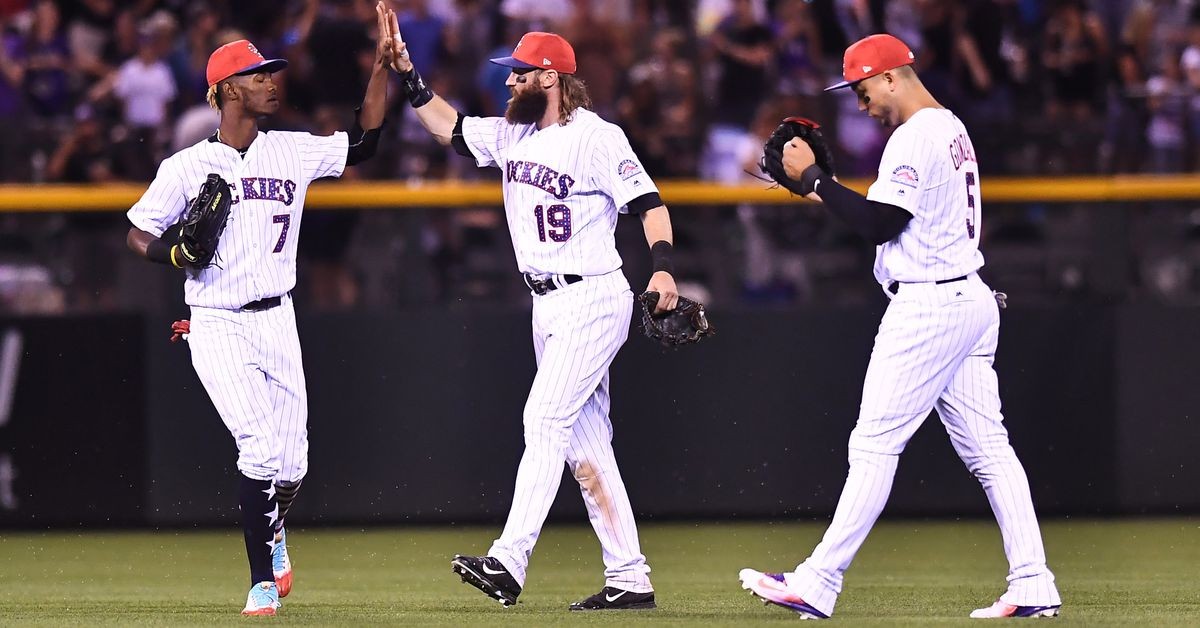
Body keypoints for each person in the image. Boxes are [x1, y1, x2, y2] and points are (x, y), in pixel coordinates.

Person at [737, 34, 1062, 619]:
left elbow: (881, 223)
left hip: (929, 309)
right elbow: (890, 218)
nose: (861, 106)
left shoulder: (914, 136)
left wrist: (815, 181)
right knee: (992, 452)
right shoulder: (951, 126)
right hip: (967, 299)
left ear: (890, 76)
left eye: (863, 92)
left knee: (874, 444)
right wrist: (825, 193)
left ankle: (817, 581)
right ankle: (1033, 581)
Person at [384, 24, 679, 610]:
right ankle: (630, 579)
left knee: (542, 419)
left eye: (519, 71)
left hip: (592, 295)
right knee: (587, 449)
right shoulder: (512, 133)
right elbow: (448, 127)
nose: (510, 78)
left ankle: (509, 561)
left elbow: (649, 205)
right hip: (547, 305)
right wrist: (409, 77)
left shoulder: (596, 137)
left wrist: (664, 269)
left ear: (551, 77)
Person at [123, 3, 395, 616]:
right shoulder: (187, 166)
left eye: (272, 73)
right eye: (258, 76)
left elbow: (367, 142)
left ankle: (272, 529)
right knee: (259, 448)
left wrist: (380, 70)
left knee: (292, 460)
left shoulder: (291, 151)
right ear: (224, 90)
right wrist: (173, 252)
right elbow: (137, 231)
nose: (272, 81)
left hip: (277, 318)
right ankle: (260, 582)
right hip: (215, 320)